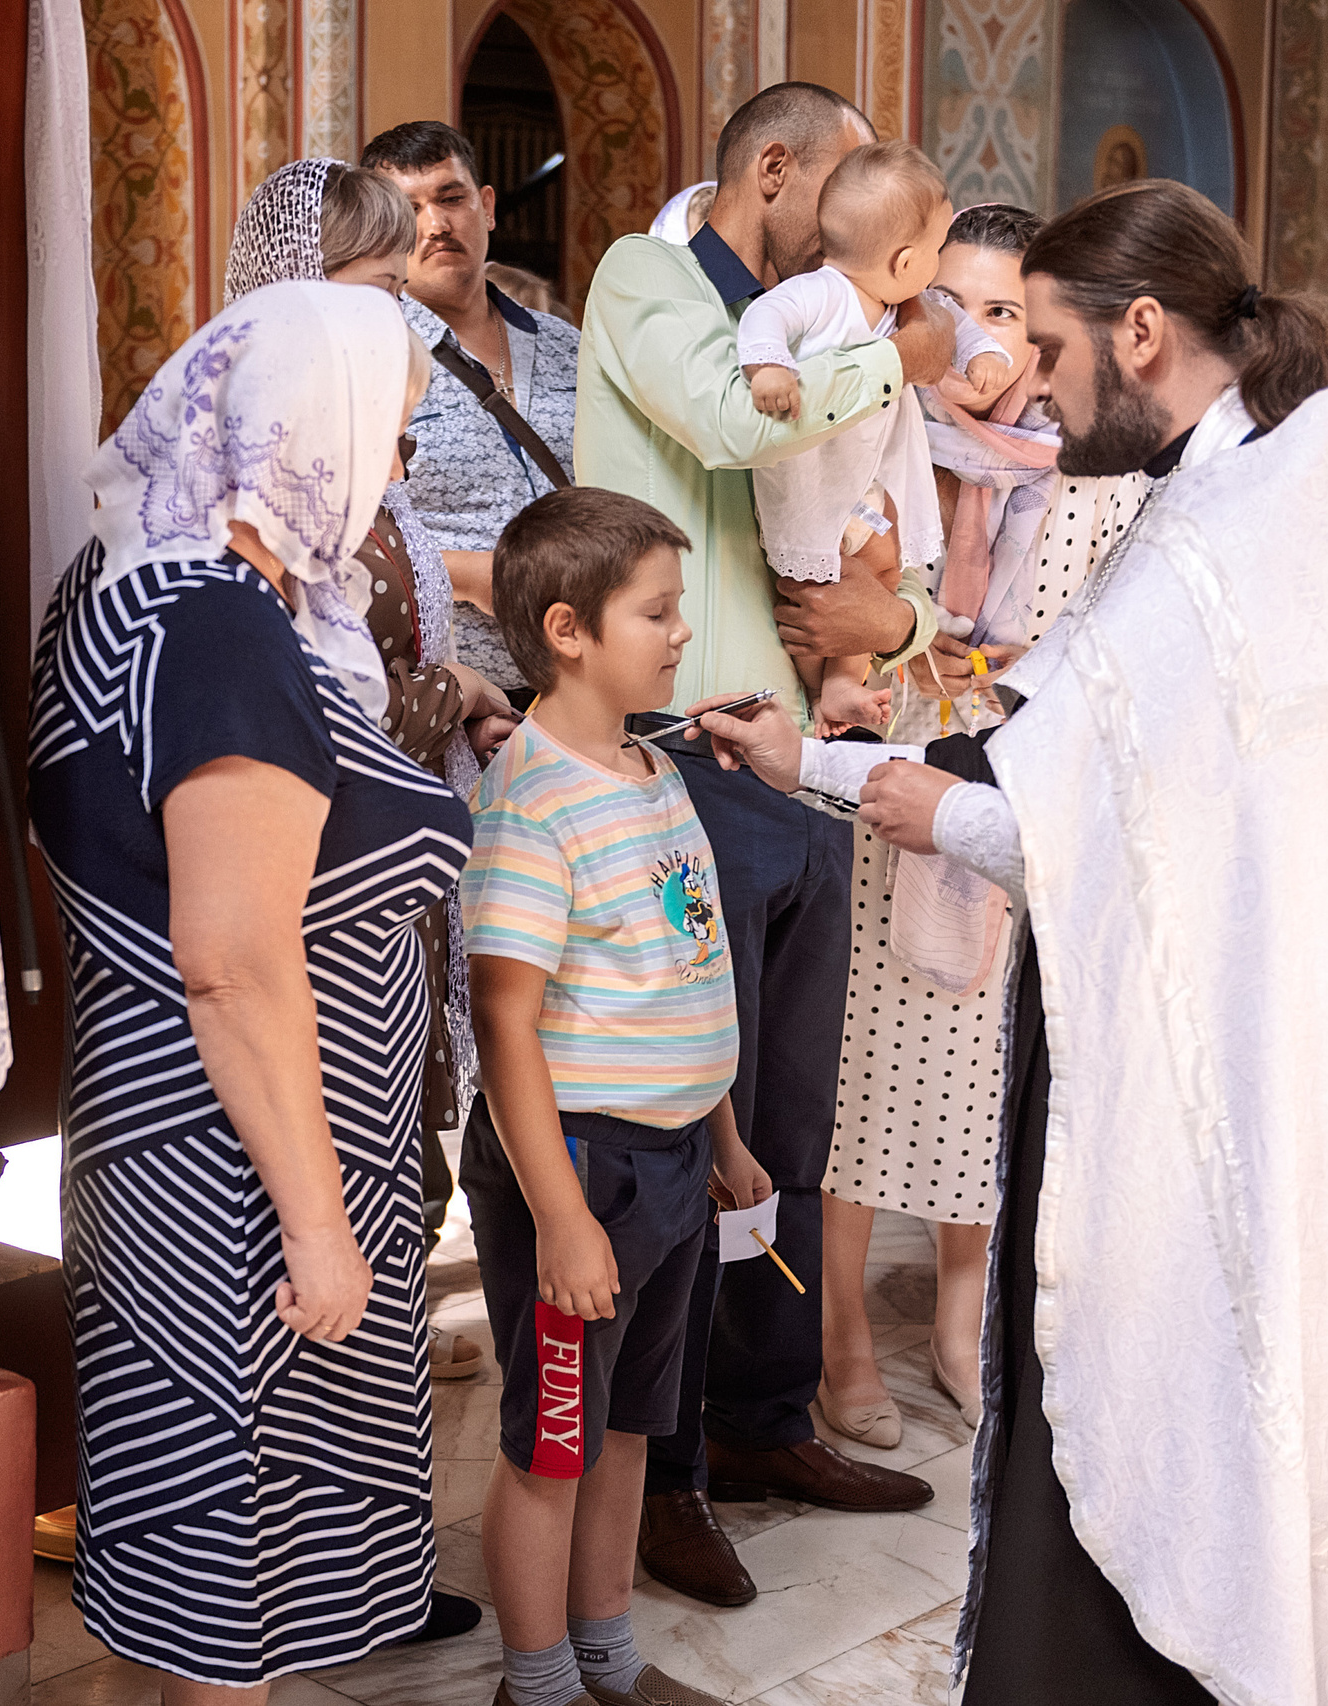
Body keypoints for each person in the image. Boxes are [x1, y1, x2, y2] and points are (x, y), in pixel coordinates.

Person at [693, 177, 1328, 1704]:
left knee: (1135, 1388)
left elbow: (1038, 823)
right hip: (1179, 1014)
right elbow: (1075, 771)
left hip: (1156, 1050)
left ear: (1144, 331)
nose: (1046, 391)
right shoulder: (1253, 492)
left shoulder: (1222, 541)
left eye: (1058, 349)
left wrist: (834, 777)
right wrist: (810, 762)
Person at [25, 281, 473, 1693]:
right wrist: (321, 1225)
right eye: (391, 434)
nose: (394, 472)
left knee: (209, 1537)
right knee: (239, 1557)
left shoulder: (121, 581)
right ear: (314, 427)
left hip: (168, 1152)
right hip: (240, 1183)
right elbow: (231, 961)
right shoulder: (220, 624)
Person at [573, 79, 956, 1608]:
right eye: (849, 187)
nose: (871, 230)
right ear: (777, 169)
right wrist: (907, 342)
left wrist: (904, 619)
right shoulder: (644, 280)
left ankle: (763, 1413)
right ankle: (662, 1473)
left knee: (792, 1118)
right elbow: (738, 420)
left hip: (804, 760)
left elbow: (896, 539)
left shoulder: (847, 321)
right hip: (674, 759)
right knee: (686, 1137)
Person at [815, 200, 1145, 1440]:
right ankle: (841, 1337)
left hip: (1003, 807)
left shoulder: (1092, 482)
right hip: (860, 797)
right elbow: (828, 611)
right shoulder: (872, 434)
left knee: (978, 1077)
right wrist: (930, 646)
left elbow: (1070, 657)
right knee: (851, 1079)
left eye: (1007, 311)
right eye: (950, 306)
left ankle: (961, 1328)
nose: (979, 338)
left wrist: (922, 643)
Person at [223, 159, 522, 1403]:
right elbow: (293, 690)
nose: (391, 316)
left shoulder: (359, 445)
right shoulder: (256, 473)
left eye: (402, 287)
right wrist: (446, 696)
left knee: (399, 1155)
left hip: (391, 876)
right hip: (307, 890)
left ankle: (375, 1524)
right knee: (322, 1183)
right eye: (373, 283)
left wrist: (458, 694)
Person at [461, 486, 761, 1706]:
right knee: (554, 1441)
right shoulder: (534, 798)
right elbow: (503, 1020)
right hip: (580, 1166)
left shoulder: (647, 765)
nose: (682, 632)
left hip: (673, 1155)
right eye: (658, 610)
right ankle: (535, 1686)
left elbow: (683, 966)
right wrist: (566, 1218)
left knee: (631, 1425)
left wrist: (724, 1129)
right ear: (569, 626)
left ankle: (608, 1661)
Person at [738, 141, 1009, 733]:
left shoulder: (904, 305)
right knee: (813, 591)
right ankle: (818, 694)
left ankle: (839, 683)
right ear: (906, 259)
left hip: (863, 487)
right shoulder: (819, 293)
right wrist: (768, 366)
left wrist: (983, 351)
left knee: (881, 570)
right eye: (937, 251)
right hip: (814, 484)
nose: (937, 265)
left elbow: (956, 326)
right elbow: (765, 318)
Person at [363, 121, 581, 698]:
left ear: (485, 207)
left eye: (450, 198)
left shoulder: (568, 346)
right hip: (455, 691)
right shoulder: (371, 356)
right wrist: (474, 575)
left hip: (582, 681)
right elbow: (342, 536)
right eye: (409, 209)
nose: (435, 224)